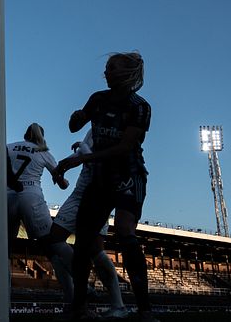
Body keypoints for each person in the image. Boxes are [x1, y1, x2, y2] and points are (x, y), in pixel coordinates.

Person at [55, 52, 158, 321]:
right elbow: (74, 125)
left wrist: (81, 159)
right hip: (99, 179)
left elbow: (123, 149)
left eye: (111, 68)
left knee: (125, 230)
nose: (106, 72)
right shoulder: (98, 99)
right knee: (84, 241)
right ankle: (78, 308)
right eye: (105, 68)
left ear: (127, 73)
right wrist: (76, 117)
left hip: (128, 175)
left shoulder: (140, 107)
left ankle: (145, 310)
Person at [51, 130, 130, 318]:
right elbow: (82, 155)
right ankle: (78, 296)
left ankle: (118, 305)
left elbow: (98, 160)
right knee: (54, 240)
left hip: (99, 193)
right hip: (80, 192)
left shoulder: (116, 129)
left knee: (95, 250)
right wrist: (64, 163)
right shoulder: (94, 127)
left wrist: (82, 148)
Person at [6, 123, 72, 304]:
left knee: (4, 248)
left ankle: (1, 297)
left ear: (25, 135)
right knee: (52, 244)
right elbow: (62, 183)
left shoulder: (9, 147)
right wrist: (62, 181)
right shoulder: (43, 151)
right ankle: (79, 281)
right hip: (31, 196)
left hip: (7, 196)